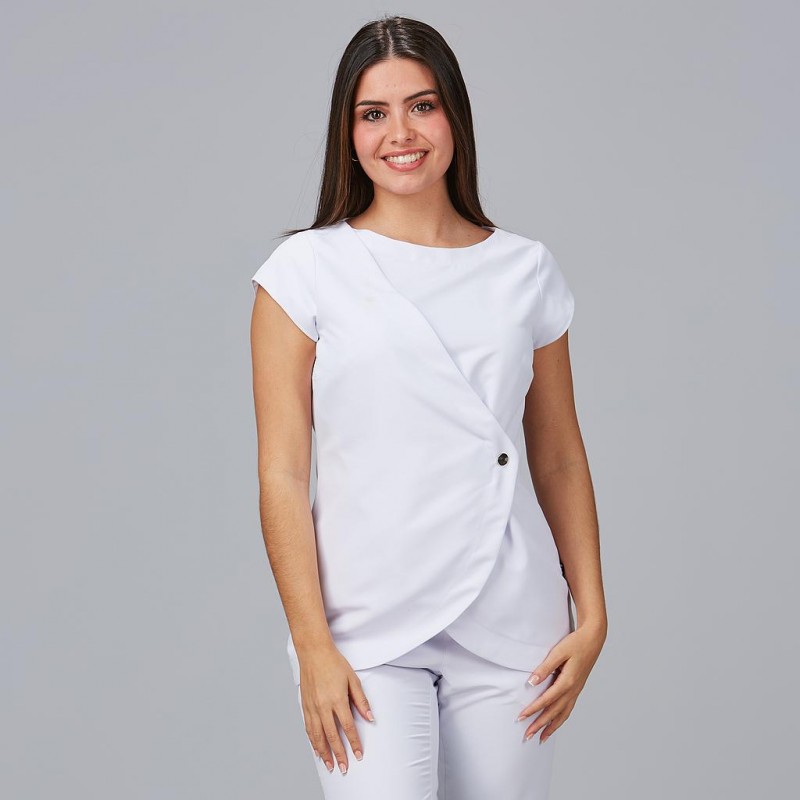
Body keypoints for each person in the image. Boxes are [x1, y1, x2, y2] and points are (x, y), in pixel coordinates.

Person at [249, 15, 607, 800]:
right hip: (362, 622)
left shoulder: (526, 270)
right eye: (373, 113)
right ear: (348, 134)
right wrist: (312, 645)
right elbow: (282, 474)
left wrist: (593, 616)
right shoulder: (304, 272)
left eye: (422, 105)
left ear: (454, 116)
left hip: (514, 622)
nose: (400, 134)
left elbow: (558, 455)